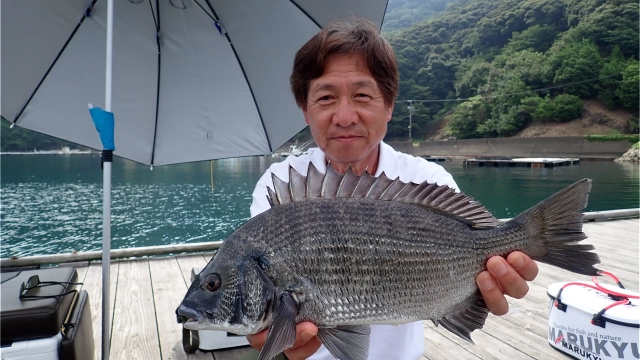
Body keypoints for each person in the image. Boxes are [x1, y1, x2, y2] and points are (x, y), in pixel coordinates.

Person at [246, 18, 538, 360]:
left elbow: (480, 244)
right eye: (325, 97)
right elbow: (267, 304)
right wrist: (273, 342)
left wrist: (499, 269)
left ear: (389, 105)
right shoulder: (277, 186)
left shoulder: (428, 180)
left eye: (362, 95)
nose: (344, 116)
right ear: (305, 110)